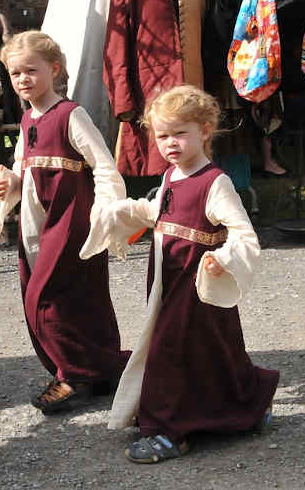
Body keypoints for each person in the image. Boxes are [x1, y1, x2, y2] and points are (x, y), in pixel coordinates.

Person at [80, 85, 279, 464]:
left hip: (198, 286)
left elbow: (243, 233)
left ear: (204, 131)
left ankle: (170, 430)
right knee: (213, 353)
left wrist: (224, 259)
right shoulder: (172, 176)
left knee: (169, 351)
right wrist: (120, 212)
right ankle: (248, 402)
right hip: (168, 282)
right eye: (162, 135)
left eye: (179, 133)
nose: (170, 143)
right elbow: (158, 212)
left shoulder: (214, 183)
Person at [0, 31, 129, 414]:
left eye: (31, 71)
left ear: (54, 69)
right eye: (15, 74)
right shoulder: (27, 117)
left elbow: (102, 164)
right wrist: (11, 183)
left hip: (72, 223)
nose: (23, 80)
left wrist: (106, 212)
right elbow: (24, 167)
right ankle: (100, 368)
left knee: (46, 297)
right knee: (73, 299)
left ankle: (70, 374)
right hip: (39, 223)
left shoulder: (70, 115)